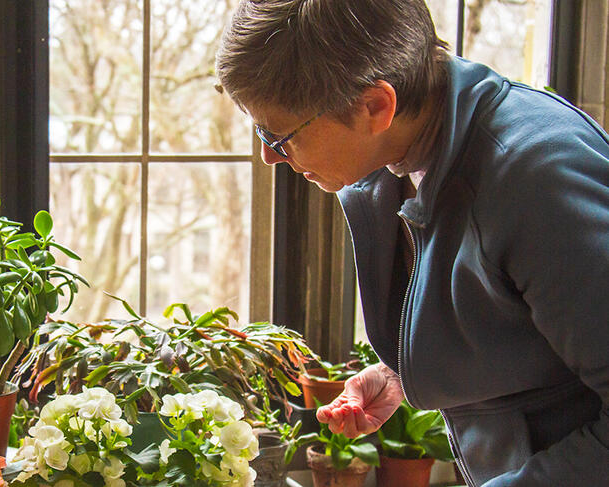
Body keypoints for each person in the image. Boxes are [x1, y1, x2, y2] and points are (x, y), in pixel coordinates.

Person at [216, 1, 609, 486]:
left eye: (279, 134)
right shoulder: (402, 149)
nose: (268, 156)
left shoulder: (539, 180)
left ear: (376, 106)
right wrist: (403, 373)